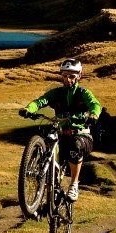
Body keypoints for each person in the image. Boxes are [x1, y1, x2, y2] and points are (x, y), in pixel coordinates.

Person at [18, 58, 101, 201]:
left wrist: (94, 114)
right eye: (64, 76)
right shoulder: (56, 93)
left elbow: (95, 104)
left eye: (72, 76)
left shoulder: (83, 93)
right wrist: (28, 109)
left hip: (81, 135)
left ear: (79, 76)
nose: (67, 79)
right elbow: (40, 101)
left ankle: (74, 184)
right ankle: (46, 181)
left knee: (75, 147)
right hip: (61, 134)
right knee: (48, 142)